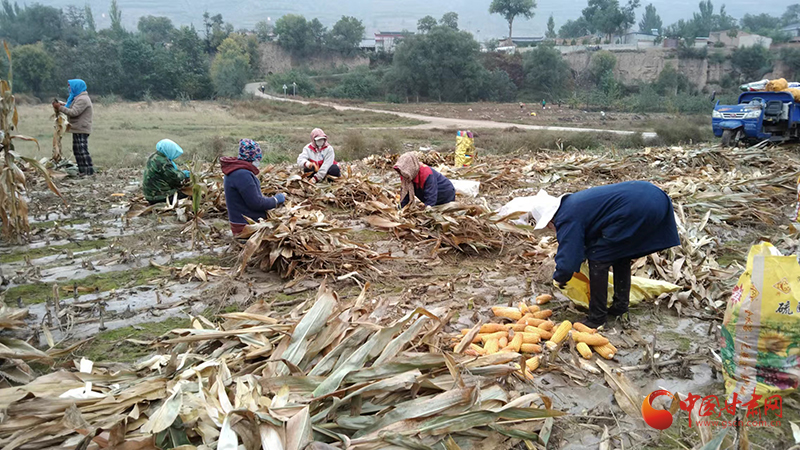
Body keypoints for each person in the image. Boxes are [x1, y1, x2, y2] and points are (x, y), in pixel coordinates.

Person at [527, 181, 680, 328]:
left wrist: (560, 278)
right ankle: (620, 306)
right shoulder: (574, 203)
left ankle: (597, 318)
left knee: (598, 257)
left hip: (638, 207)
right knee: (620, 255)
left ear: (549, 220)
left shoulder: (565, 216)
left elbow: (569, 255)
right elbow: (586, 237)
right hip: (655, 197)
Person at [222, 139, 286, 235]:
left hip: (239, 222)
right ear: (253, 157)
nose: (258, 161)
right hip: (246, 226)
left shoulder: (235, 170)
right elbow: (256, 203)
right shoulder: (243, 175)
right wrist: (276, 200)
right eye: (257, 158)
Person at [52, 79, 94, 176]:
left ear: (76, 87)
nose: (69, 88)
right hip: (77, 128)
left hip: (82, 128)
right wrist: (62, 105)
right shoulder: (77, 98)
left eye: (70, 86)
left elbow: (73, 112)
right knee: (77, 150)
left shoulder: (83, 99)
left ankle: (88, 172)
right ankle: (82, 171)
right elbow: (70, 106)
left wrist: (60, 108)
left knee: (82, 150)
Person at [142, 139, 190, 204]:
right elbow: (175, 178)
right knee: (190, 193)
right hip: (160, 196)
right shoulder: (163, 163)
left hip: (149, 195)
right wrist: (184, 174)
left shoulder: (154, 157)